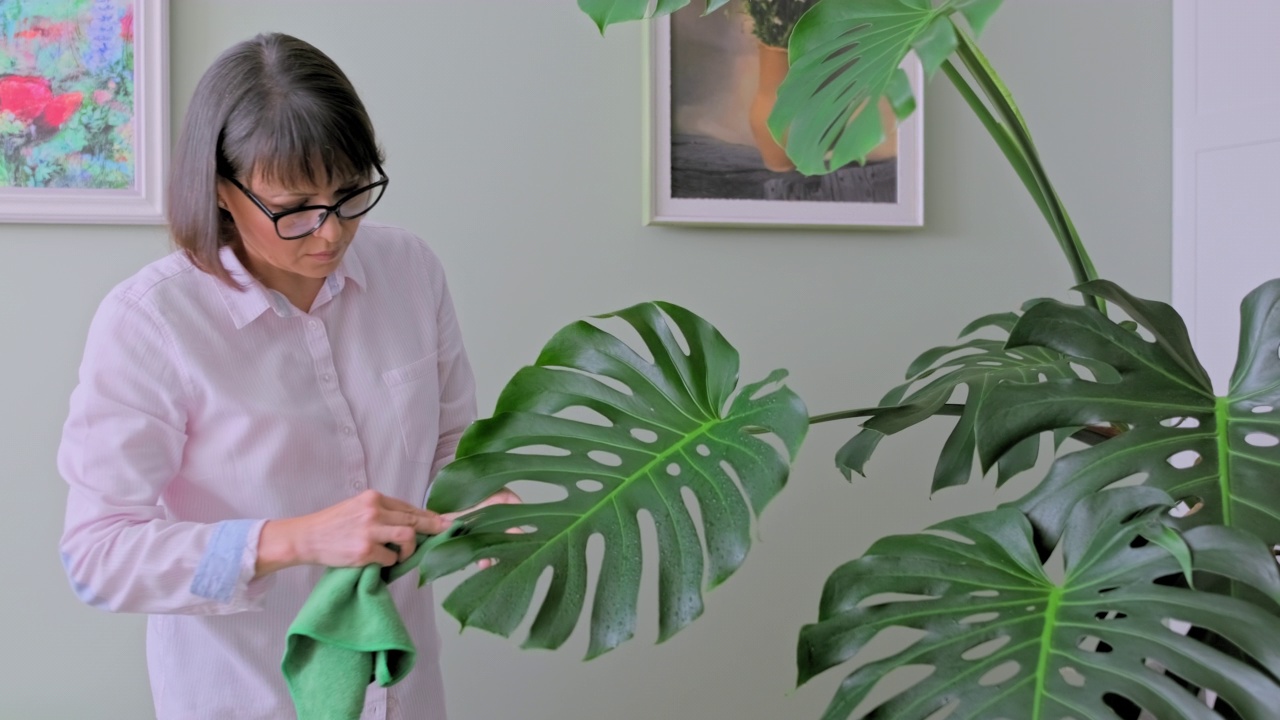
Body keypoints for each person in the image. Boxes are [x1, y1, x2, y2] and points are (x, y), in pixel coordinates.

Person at [57, 32, 511, 719]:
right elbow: (98, 554)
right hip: (244, 697)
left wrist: (480, 505)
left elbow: (450, 445)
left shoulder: (411, 272)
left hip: (406, 696)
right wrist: (293, 539)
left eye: (351, 192)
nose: (329, 232)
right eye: (294, 207)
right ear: (220, 190)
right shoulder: (151, 323)